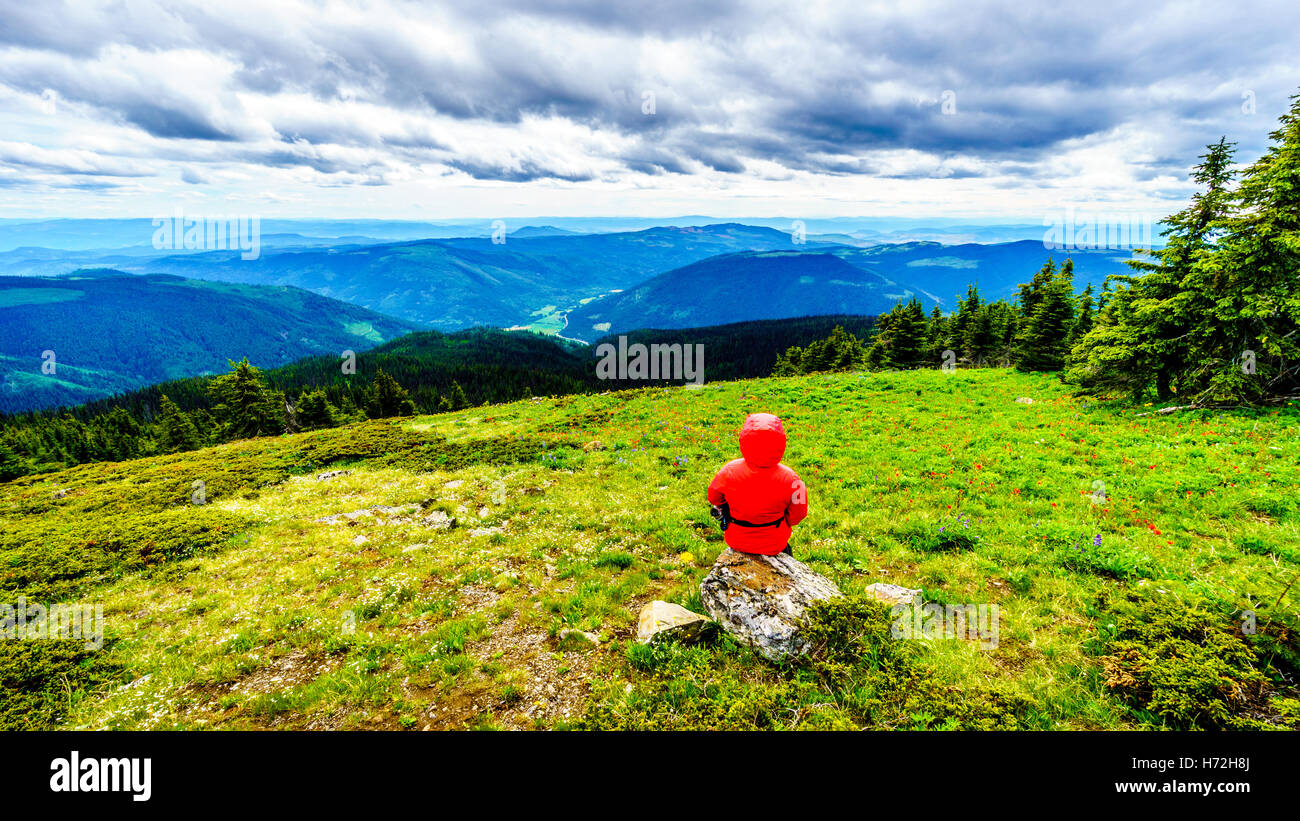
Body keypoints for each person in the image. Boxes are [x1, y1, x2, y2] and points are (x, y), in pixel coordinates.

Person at [707, 413, 807, 556]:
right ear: (781, 442)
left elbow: (713, 497)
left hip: (737, 541)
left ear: (744, 439)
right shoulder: (793, 479)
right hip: (774, 544)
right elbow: (799, 514)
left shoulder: (728, 470)